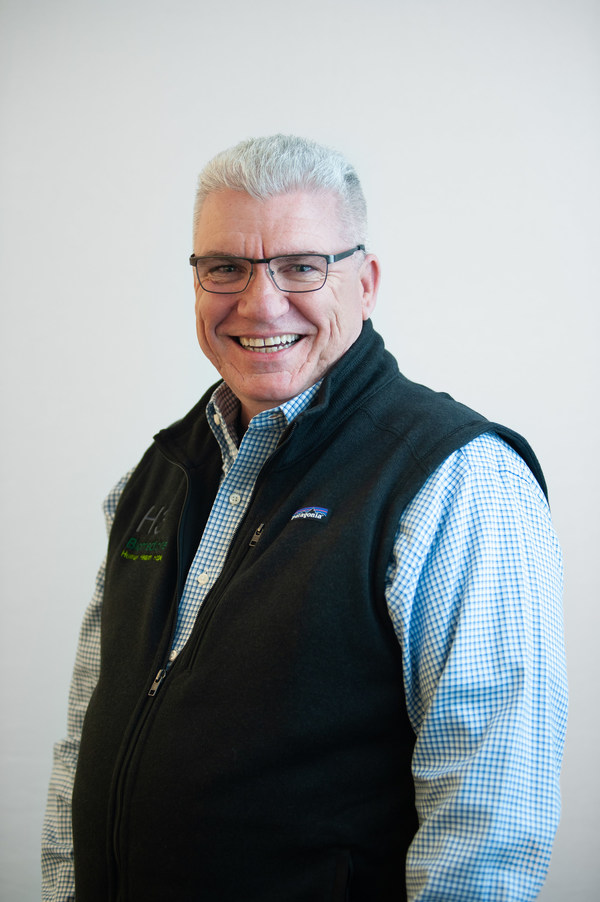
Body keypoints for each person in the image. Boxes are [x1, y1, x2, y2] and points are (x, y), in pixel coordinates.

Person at [42, 135, 567, 902]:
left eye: (301, 266)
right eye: (226, 267)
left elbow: (490, 821)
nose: (260, 303)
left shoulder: (457, 480)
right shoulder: (153, 479)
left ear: (366, 283)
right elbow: (83, 744)